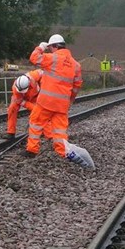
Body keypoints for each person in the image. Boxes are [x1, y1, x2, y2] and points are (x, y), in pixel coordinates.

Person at [27, 34, 94, 168]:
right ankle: (61, 153)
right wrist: (70, 101)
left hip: (45, 102)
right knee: (59, 131)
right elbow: (77, 85)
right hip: (62, 105)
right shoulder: (76, 65)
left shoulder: (52, 58)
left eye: (50, 47)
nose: (50, 49)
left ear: (55, 46)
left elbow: (33, 58)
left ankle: (32, 151)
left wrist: (41, 47)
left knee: (35, 124)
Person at [5, 69, 44, 139]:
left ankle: (42, 130)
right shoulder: (16, 89)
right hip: (20, 99)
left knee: (41, 112)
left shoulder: (34, 75)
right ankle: (11, 132)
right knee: (12, 108)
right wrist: (33, 108)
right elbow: (21, 101)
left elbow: (43, 72)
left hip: (35, 97)